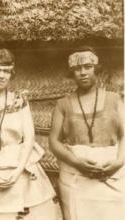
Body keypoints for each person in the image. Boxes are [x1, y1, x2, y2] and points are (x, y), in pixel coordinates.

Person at [0, 48, 62, 220]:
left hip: (21, 169)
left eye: (6, 71)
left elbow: (29, 137)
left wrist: (18, 172)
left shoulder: (20, 101)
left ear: (11, 74)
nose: (1, 76)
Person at [49, 46, 125, 220]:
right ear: (71, 72)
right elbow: (54, 141)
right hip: (76, 181)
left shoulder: (115, 99)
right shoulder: (63, 104)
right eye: (77, 68)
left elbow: (124, 134)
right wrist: (77, 162)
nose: (82, 72)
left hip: (113, 176)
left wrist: (119, 162)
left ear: (96, 69)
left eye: (87, 67)